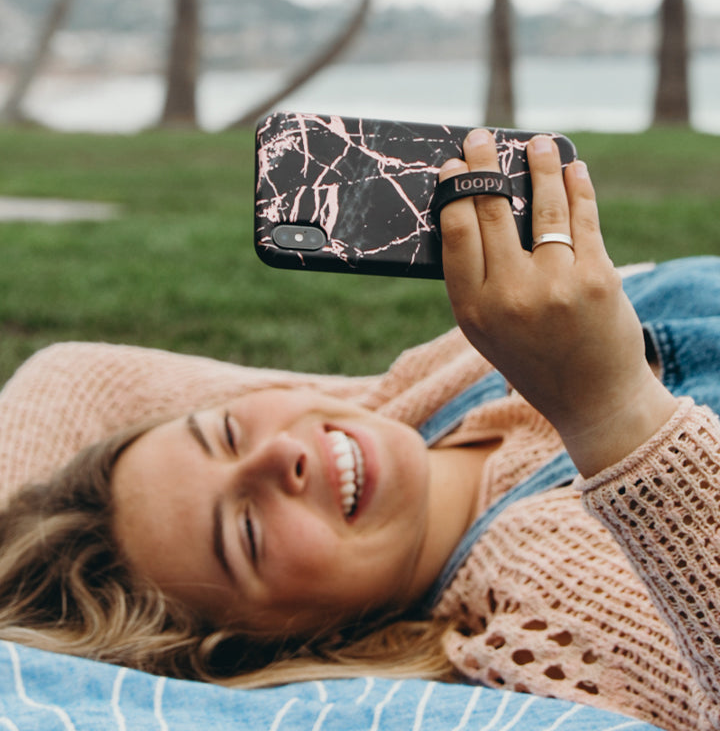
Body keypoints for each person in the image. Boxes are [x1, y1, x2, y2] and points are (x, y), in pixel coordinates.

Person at [0, 131, 718, 731]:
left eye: (224, 433)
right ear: (301, 640)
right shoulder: (547, 607)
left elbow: (76, 376)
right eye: (247, 532)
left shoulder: (422, 392)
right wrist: (611, 409)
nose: (282, 453)